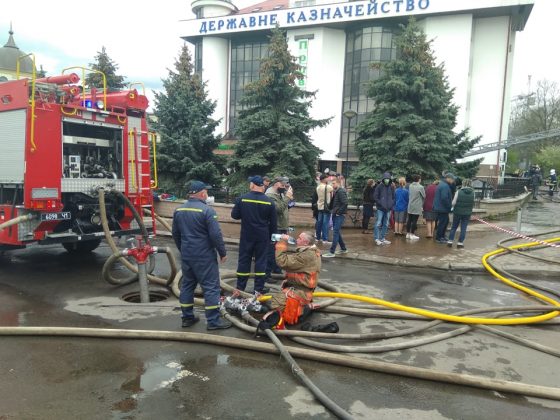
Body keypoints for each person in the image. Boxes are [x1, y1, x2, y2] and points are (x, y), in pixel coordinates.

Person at [172, 180, 232, 330]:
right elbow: (215, 235)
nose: (207, 194)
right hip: (204, 255)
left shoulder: (178, 210)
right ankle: (213, 322)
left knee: (187, 285)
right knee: (211, 287)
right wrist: (222, 252)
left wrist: (183, 249)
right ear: (202, 193)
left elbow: (175, 234)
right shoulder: (207, 211)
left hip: (187, 254)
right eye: (206, 191)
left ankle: (187, 318)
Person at [261, 232, 321, 328]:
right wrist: (289, 281)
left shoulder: (306, 256)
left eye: (299, 238)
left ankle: (303, 310)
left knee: (274, 304)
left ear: (305, 242)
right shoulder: (311, 251)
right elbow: (300, 269)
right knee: (272, 298)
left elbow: (282, 261)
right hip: (301, 288)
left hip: (301, 292)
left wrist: (282, 242)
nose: (296, 239)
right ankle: (302, 307)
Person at [231, 175, 277, 295]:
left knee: (244, 260)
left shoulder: (242, 199)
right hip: (263, 236)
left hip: (247, 235)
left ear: (252, 185)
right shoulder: (269, 202)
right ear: (262, 186)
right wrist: (273, 239)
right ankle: (258, 289)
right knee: (261, 261)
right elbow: (273, 224)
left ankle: (240, 288)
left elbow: (234, 215)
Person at [265, 177, 290, 280]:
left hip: (282, 226)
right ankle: (267, 274)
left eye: (285, 186)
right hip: (276, 227)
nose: (284, 188)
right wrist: (287, 198)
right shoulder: (270, 195)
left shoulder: (279, 193)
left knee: (279, 249)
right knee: (271, 250)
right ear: (276, 184)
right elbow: (278, 209)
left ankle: (276, 269)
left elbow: (284, 208)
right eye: (282, 185)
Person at [322, 179, 348, 257]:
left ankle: (332, 251)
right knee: (337, 232)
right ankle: (343, 249)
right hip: (336, 214)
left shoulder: (341, 191)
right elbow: (334, 203)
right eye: (332, 183)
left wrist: (338, 213)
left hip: (339, 215)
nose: (332, 185)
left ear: (338, 183)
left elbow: (345, 203)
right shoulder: (337, 191)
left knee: (335, 232)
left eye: (334, 183)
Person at [447, 179, 474, 248]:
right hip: (467, 213)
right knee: (463, 228)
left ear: (463, 184)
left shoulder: (458, 192)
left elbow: (453, 203)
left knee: (454, 227)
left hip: (457, 212)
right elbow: (473, 203)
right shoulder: (473, 193)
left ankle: (450, 241)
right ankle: (460, 243)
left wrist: (452, 207)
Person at [433, 172, 456, 244]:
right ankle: (439, 238)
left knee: (445, 222)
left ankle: (442, 236)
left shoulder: (443, 185)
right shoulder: (445, 186)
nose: (453, 181)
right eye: (452, 179)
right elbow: (444, 198)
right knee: (442, 223)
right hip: (442, 208)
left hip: (441, 208)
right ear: (448, 178)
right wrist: (449, 206)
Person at [373, 172, 395, 246]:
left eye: (388, 179)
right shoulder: (379, 187)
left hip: (388, 209)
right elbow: (375, 197)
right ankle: (377, 238)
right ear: (383, 179)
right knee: (378, 223)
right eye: (385, 179)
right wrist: (381, 203)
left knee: (386, 224)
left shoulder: (391, 187)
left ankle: (382, 238)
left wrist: (391, 204)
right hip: (380, 208)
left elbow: (393, 197)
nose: (387, 180)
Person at [406, 175, 425, 240]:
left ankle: (408, 234)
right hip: (417, 206)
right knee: (414, 220)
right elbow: (424, 196)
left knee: (409, 220)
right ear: (419, 179)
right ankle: (412, 234)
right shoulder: (421, 187)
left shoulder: (410, 186)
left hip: (410, 205)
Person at [315, 174, 333, 243]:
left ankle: (318, 237)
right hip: (326, 207)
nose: (328, 179)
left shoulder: (318, 187)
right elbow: (333, 188)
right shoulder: (327, 187)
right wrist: (330, 182)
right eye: (327, 178)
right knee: (325, 223)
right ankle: (325, 239)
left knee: (319, 223)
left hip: (320, 207)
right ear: (323, 179)